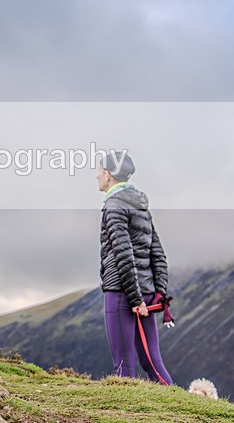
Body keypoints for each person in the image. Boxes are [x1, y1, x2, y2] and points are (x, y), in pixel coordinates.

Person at [97, 151, 174, 384]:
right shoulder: (141, 206)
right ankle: (178, 409)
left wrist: (134, 298)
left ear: (108, 175)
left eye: (99, 171)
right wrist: (157, 292)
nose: (97, 176)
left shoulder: (114, 205)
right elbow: (157, 252)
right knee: (152, 361)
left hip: (122, 293)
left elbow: (123, 252)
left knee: (124, 363)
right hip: (146, 292)